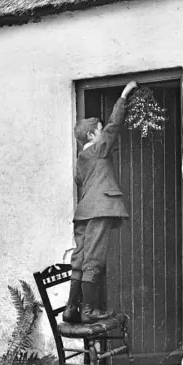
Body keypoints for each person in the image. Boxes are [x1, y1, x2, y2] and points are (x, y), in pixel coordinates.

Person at [65, 80, 138, 324]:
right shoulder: (98, 150)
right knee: (94, 258)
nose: (102, 131)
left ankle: (70, 309)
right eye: (99, 129)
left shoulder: (82, 159)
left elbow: (80, 181)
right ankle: (87, 310)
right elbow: (114, 126)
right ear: (91, 135)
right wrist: (124, 95)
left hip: (83, 213)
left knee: (80, 258)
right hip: (99, 210)